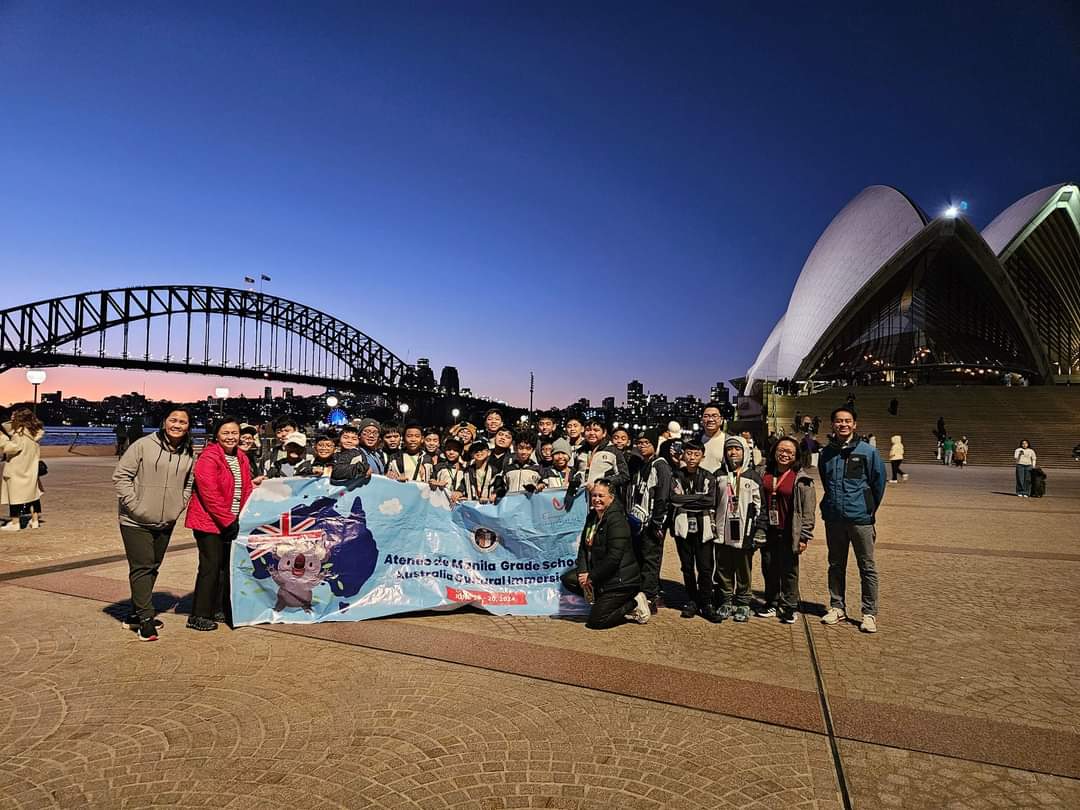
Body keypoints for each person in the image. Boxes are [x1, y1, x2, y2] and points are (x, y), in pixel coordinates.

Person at [112, 407, 195, 641]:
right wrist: (135, 507)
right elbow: (121, 476)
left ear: (188, 426)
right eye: (173, 420)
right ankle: (146, 620)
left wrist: (179, 504)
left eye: (183, 422)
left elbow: (189, 482)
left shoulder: (189, 451)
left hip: (165, 520)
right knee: (142, 566)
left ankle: (134, 615)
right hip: (134, 521)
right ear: (164, 421)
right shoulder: (142, 445)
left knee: (152, 567)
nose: (177, 425)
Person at [818, 406, 886, 634]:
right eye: (838, 421)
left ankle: (869, 613)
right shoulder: (827, 453)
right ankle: (837, 606)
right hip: (835, 518)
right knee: (836, 564)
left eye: (847, 421)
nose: (843, 425)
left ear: (854, 424)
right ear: (833, 425)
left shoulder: (868, 452)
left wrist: (867, 508)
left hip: (860, 519)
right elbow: (826, 482)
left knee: (867, 566)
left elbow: (878, 483)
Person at [185, 417, 255, 631]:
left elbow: (246, 488)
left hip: (232, 521)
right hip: (209, 523)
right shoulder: (209, 457)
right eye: (226, 433)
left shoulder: (241, 457)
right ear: (217, 435)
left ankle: (219, 608)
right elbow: (210, 494)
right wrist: (227, 520)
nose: (231, 437)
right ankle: (198, 615)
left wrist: (245, 515)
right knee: (210, 567)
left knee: (226, 567)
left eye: (234, 433)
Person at [560, 479, 650, 629]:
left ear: (611, 498)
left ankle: (634, 602)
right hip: (602, 575)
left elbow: (613, 559)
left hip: (620, 580)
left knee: (596, 622)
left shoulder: (617, 521)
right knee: (568, 579)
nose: (596, 499)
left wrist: (591, 577)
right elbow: (583, 547)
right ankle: (603, 600)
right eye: (594, 495)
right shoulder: (592, 516)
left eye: (601, 496)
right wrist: (583, 572)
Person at [755, 436, 815, 624]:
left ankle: (789, 606)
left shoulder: (801, 478)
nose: (784, 454)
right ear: (774, 451)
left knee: (789, 570)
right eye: (781, 450)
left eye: (789, 452)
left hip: (790, 530)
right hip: (767, 528)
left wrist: (804, 536)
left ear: (796, 455)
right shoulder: (763, 471)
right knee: (769, 566)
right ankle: (772, 601)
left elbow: (808, 510)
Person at [713, 436, 762, 623]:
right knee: (723, 568)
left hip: (744, 532)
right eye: (729, 449)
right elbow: (713, 502)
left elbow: (761, 507)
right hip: (722, 531)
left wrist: (759, 530)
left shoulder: (753, 476)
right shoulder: (719, 475)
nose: (733, 452)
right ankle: (725, 600)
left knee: (743, 570)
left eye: (737, 449)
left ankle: (743, 602)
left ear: (745, 452)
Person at [669, 438, 718, 621]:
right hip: (683, 527)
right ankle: (692, 599)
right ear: (683, 455)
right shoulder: (676, 475)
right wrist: (697, 498)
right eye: (689, 453)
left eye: (696, 454)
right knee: (687, 567)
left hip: (704, 527)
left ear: (702, 457)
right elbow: (674, 498)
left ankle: (706, 602)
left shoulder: (708, 476)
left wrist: (687, 498)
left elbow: (709, 500)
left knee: (705, 568)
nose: (692, 457)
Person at [627, 429, 672, 614]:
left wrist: (658, 522)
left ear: (655, 444)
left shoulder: (660, 465)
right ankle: (642, 595)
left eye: (647, 442)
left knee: (651, 560)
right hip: (639, 520)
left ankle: (651, 598)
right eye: (640, 442)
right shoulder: (642, 464)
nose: (642, 446)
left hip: (652, 521)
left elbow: (663, 496)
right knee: (641, 558)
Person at [0, 408, 45, 532]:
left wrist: (2, 438)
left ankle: (15, 523)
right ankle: (35, 521)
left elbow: (11, 448)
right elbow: (7, 426)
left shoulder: (19, 434)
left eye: (14, 416)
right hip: (30, 468)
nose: (11, 417)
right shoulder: (34, 432)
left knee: (15, 496)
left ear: (19, 418)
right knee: (33, 495)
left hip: (17, 468)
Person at [699, 403, 727, 473]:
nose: (710, 419)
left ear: (721, 420)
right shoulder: (696, 440)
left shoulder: (728, 440)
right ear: (702, 420)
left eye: (714, 416)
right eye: (706, 416)